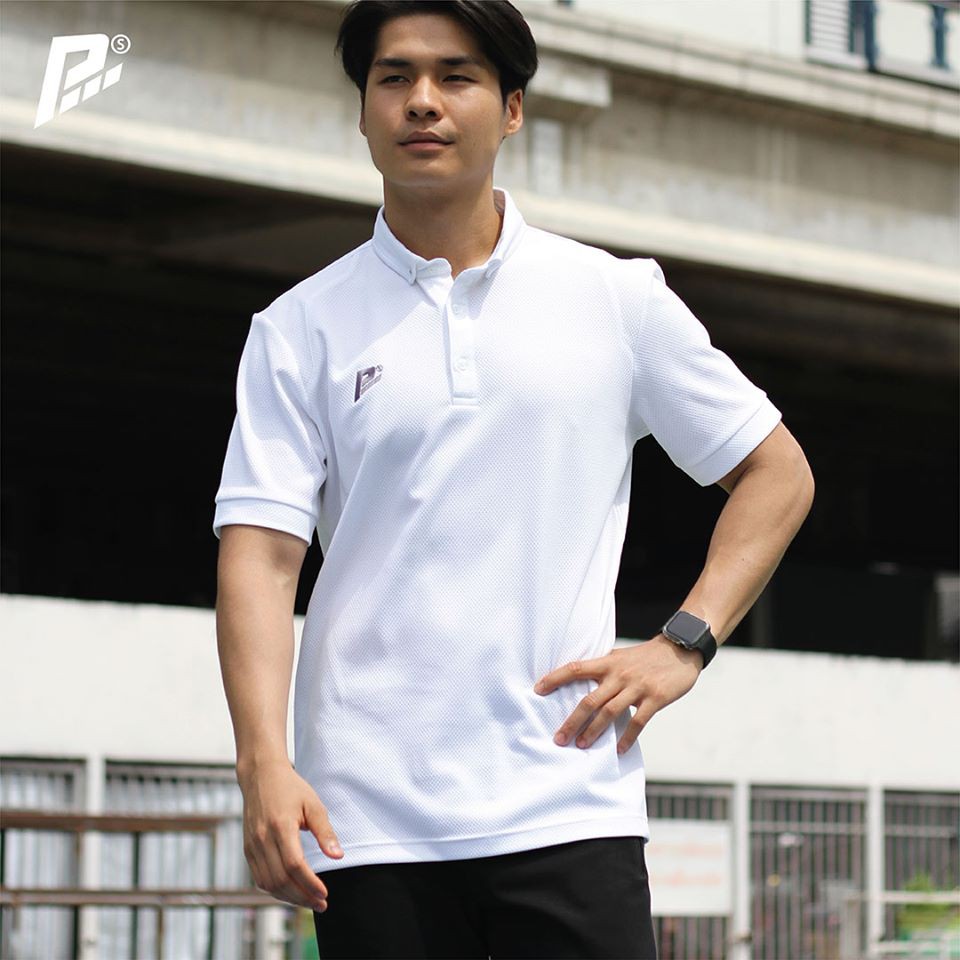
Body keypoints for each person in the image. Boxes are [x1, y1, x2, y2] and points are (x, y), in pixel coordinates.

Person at [212, 1, 815, 957]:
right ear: (362, 111)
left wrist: (684, 643)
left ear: (513, 109)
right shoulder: (298, 328)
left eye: (456, 77)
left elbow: (776, 472)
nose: (423, 102)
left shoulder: (614, 298)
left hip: (568, 801)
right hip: (368, 819)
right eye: (394, 78)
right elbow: (262, 556)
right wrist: (262, 765)